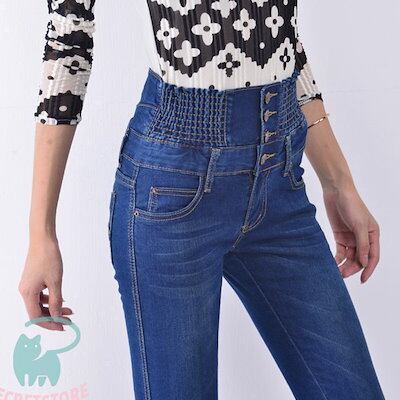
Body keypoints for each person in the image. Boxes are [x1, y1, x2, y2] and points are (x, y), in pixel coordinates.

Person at [19, 1, 385, 399]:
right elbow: (68, 44)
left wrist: (338, 182)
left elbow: (283, 38)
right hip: (172, 191)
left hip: (279, 182)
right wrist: (41, 233)